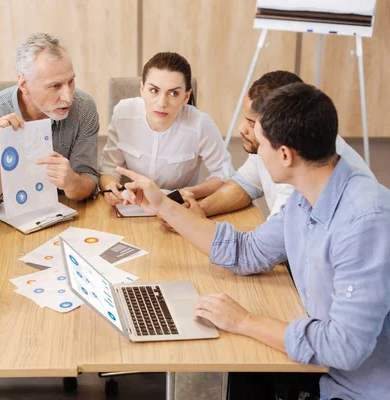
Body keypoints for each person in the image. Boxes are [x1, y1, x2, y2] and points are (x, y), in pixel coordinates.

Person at [117, 83, 389, 399]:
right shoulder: (308, 196)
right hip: (324, 369)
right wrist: (163, 205)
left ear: (285, 155)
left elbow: (344, 348)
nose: (256, 151)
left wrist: (245, 320)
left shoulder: (365, 221)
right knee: (239, 371)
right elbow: (247, 251)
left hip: (359, 386)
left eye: (260, 143)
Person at [166, 71, 374, 224]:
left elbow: (271, 244)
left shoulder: (304, 168)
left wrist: (194, 223)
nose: (242, 129)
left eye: (251, 122)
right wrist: (198, 210)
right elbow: (245, 185)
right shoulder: (269, 144)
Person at [0, 32, 99, 212]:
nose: (68, 97)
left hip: (65, 213)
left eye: (70, 81)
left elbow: (89, 184)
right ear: (24, 84)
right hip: (8, 219)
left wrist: (72, 182)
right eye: (55, 86)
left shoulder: (84, 107)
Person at [99, 52, 234, 206]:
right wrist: (112, 189)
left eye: (173, 93)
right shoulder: (123, 113)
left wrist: (190, 192)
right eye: (154, 91)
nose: (162, 103)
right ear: (142, 88)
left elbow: (225, 175)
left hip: (180, 207)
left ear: (186, 97)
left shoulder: (201, 124)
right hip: (133, 206)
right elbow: (108, 169)